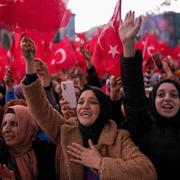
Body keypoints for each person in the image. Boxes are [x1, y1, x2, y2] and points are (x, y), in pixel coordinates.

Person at [20, 36, 157, 180]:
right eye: (80, 102)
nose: (84, 106)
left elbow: (147, 172)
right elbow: (40, 108)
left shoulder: (119, 137)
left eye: (92, 102)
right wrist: (29, 63)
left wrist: (99, 163)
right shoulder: (65, 130)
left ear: (103, 109)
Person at [119, 10, 180, 180]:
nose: (167, 98)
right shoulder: (143, 125)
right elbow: (133, 91)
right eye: (160, 94)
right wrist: (128, 45)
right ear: (152, 101)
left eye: (174, 95)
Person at [0, 105, 57, 180]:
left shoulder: (47, 151)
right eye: (4, 124)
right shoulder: (2, 159)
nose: (5, 130)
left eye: (13, 124)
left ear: (28, 127)